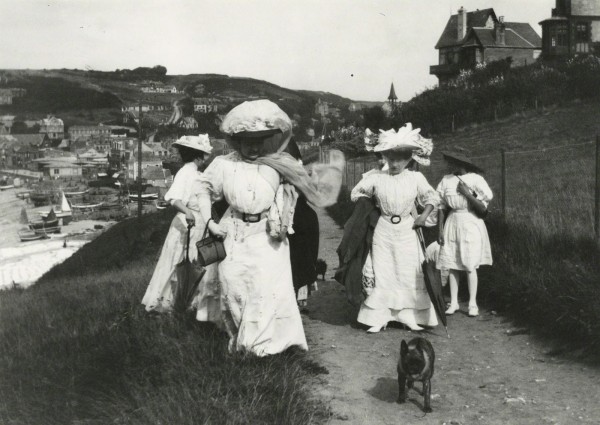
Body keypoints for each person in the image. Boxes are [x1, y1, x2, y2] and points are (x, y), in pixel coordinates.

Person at [197, 99, 343, 356]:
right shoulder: (224, 165)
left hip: (268, 238)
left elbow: (306, 185)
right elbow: (202, 190)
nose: (253, 146)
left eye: (259, 140)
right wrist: (209, 222)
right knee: (233, 288)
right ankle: (239, 340)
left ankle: (260, 349)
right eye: (247, 140)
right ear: (237, 141)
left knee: (264, 291)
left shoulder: (278, 164)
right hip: (233, 234)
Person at [350, 124, 440, 333]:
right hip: (384, 229)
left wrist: (423, 216)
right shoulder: (376, 177)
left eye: (399, 159)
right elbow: (356, 194)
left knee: (408, 271)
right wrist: (369, 208)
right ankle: (380, 317)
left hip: (408, 229)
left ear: (409, 159)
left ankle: (408, 315)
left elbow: (432, 197)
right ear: (385, 157)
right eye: (390, 158)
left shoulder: (415, 178)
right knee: (384, 271)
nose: (394, 163)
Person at [141, 134, 216, 314]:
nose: (206, 158)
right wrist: (188, 212)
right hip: (187, 223)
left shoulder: (195, 172)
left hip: (197, 224)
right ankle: (171, 303)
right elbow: (174, 199)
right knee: (180, 262)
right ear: (197, 155)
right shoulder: (187, 172)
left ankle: (188, 302)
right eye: (204, 155)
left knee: (193, 262)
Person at [436, 151, 493, 317]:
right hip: (452, 221)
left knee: (469, 263)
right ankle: (453, 302)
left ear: (461, 164)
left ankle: (472, 303)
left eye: (452, 162)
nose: (448, 165)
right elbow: (441, 206)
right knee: (452, 264)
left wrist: (467, 193)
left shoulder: (476, 179)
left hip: (470, 221)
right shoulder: (446, 180)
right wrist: (439, 229)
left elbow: (484, 204)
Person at [285, 139, 319, 311]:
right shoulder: (284, 168)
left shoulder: (298, 170)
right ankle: (297, 294)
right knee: (296, 256)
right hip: (293, 216)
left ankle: (300, 294)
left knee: (300, 256)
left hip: (298, 216)